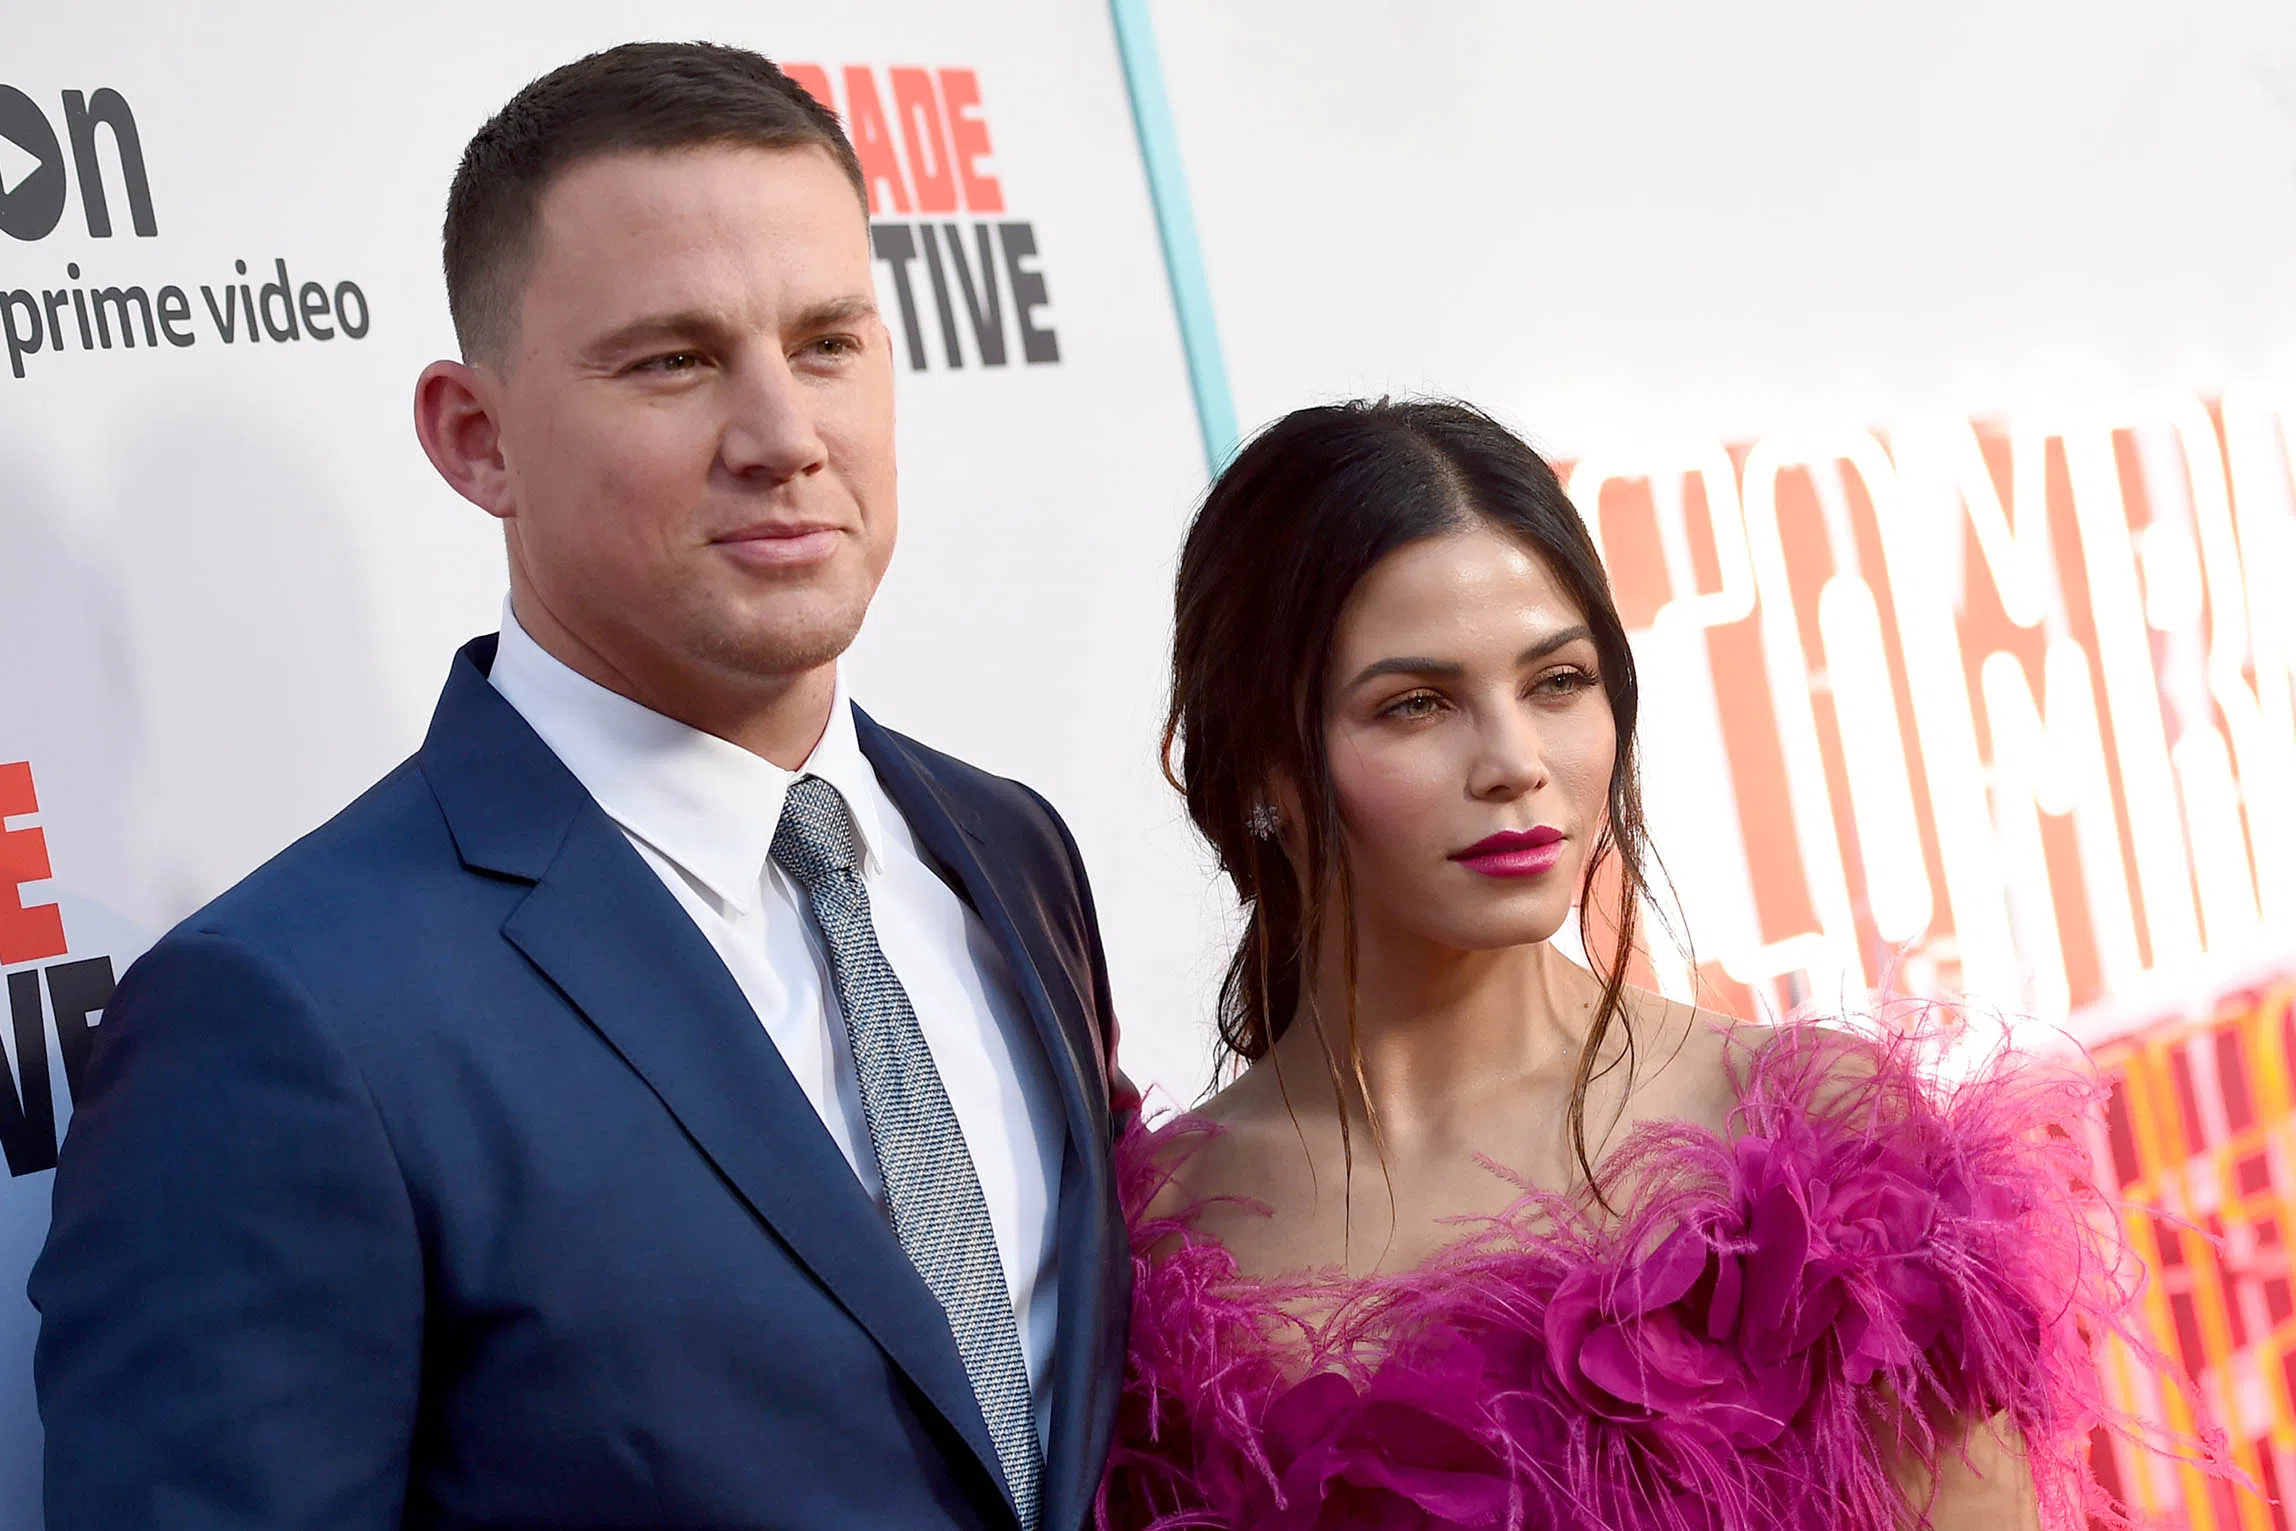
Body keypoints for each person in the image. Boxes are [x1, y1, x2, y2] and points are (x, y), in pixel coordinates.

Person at [34, 42, 1126, 1531]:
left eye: (827, 342)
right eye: (675, 359)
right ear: (475, 438)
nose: (785, 437)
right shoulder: (283, 1015)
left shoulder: (1009, 850)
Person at [1097, 398, 2220, 1530]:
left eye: (1557, 681)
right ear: (1261, 764)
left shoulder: (1812, 1145)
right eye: (1416, 704)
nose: (1514, 761)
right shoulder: (1154, 1235)